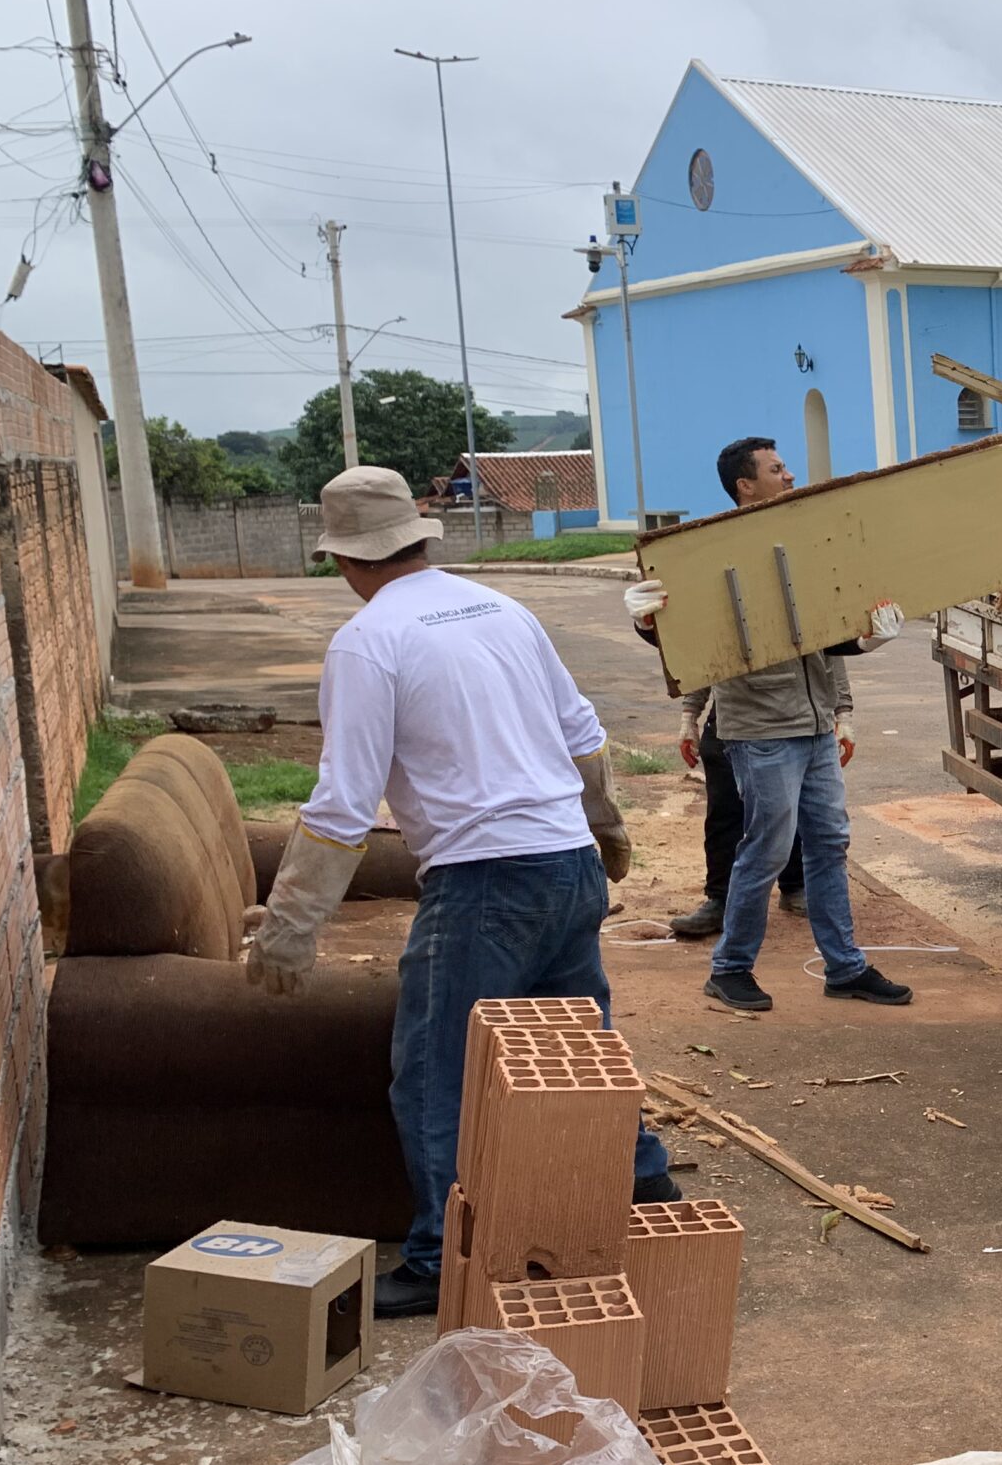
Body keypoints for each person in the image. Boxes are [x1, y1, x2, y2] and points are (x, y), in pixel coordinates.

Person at [244, 465, 672, 1320]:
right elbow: (582, 733)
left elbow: (341, 805)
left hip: (485, 883)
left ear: (342, 560)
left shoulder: (368, 641)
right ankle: (644, 1187)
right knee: (579, 1051)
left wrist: (289, 928)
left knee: (436, 1076)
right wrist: (605, 827)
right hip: (567, 862)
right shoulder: (500, 609)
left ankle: (442, 1259)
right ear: (419, 537)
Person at [624, 436, 909, 1014]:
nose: (791, 475)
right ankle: (730, 969)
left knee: (828, 844)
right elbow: (695, 642)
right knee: (767, 850)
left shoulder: (801, 541)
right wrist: (648, 626)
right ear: (745, 485)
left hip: (814, 726)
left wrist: (863, 650)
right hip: (759, 732)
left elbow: (825, 634)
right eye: (778, 469)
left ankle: (844, 967)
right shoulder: (710, 551)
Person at [666, 681, 809, 939]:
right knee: (724, 808)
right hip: (731, 713)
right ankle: (721, 900)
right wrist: (690, 714)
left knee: (789, 801)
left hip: (790, 712)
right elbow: (703, 662)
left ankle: (795, 884)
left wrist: (841, 712)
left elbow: (828, 661)